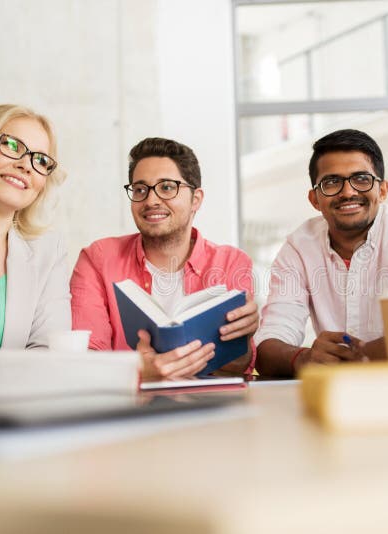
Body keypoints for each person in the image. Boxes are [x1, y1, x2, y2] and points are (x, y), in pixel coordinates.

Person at [254, 129, 388, 377]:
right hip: (334, 393)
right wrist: (304, 358)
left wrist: (355, 357)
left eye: (361, 179)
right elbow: (269, 343)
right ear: (315, 199)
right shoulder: (299, 247)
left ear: (383, 190)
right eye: (332, 182)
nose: (348, 192)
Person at [71, 137, 258, 379]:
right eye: (140, 189)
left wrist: (244, 338)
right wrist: (139, 371)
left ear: (196, 199)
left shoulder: (231, 262)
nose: (151, 200)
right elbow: (86, 358)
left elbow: (239, 366)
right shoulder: (98, 259)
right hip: (125, 409)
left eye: (167, 187)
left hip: (207, 407)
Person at [0, 104, 71, 349]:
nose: (26, 165)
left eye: (41, 160)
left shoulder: (48, 251)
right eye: (11, 145)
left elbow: (47, 354)